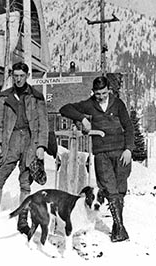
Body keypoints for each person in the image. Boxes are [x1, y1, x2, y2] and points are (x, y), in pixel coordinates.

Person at [59, 76, 134, 242]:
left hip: (121, 152)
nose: (101, 96)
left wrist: (129, 149)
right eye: (98, 93)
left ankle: (117, 225)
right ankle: (119, 227)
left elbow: (129, 126)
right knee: (109, 188)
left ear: (109, 90)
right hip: (101, 154)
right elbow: (65, 108)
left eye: (104, 92)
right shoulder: (89, 104)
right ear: (94, 92)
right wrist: (83, 118)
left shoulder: (118, 104)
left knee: (120, 189)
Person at [0, 62, 49, 234]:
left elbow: (43, 124)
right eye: (15, 76)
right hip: (9, 140)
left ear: (27, 76)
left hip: (30, 142)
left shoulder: (36, 97)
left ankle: (22, 221)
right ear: (12, 76)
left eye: (22, 76)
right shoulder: (4, 97)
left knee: (25, 183)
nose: (18, 79)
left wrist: (41, 146)